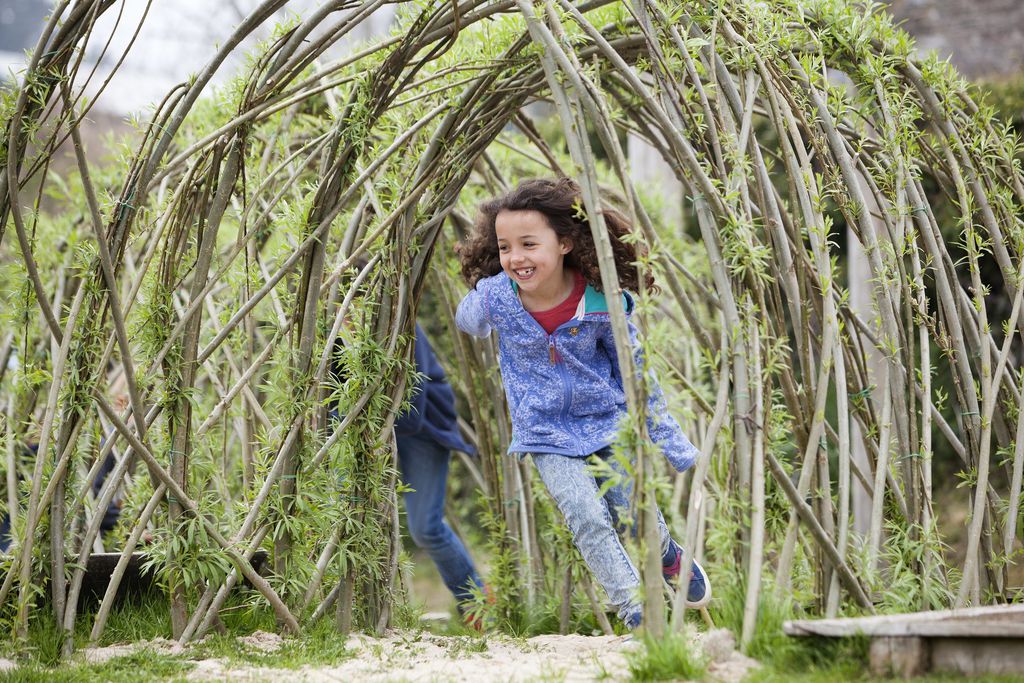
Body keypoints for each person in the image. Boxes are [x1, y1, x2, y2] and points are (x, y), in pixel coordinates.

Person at [454, 177, 710, 629]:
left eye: (529, 244)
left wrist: (669, 441)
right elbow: (468, 321)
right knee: (587, 518)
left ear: (566, 244)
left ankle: (669, 555)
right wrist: (485, 293)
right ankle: (638, 615)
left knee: (633, 516)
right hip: (544, 431)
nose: (516, 258)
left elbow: (637, 373)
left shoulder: (600, 301)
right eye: (505, 246)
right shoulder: (499, 297)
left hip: (607, 420)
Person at [332, 317, 485, 624]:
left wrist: (378, 429)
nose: (349, 314)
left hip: (422, 428)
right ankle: (354, 609)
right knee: (346, 514)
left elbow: (415, 397)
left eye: (359, 306)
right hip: (360, 433)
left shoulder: (398, 320)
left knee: (425, 527)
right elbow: (331, 398)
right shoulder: (330, 331)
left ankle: (477, 605)